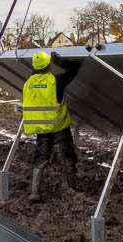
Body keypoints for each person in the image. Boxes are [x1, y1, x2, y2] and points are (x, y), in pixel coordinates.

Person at [22, 50, 82, 202]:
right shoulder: (56, 81)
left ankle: (35, 193)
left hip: (42, 129)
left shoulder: (29, 83)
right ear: (49, 65)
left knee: (40, 158)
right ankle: (72, 189)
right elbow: (75, 69)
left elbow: (34, 76)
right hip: (59, 128)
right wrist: (60, 62)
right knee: (68, 157)